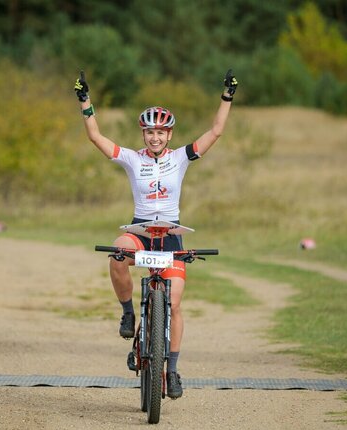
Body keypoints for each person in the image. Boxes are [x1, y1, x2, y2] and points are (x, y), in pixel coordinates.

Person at [74, 69, 238, 399]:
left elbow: (217, 131)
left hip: (172, 234)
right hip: (140, 231)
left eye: (161, 132)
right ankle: (128, 313)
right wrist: (85, 102)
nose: (155, 138)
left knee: (174, 304)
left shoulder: (181, 157)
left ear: (169, 134)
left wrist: (227, 96)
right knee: (118, 253)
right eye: (150, 132)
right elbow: (96, 138)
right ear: (144, 133)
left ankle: (173, 369)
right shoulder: (134, 159)